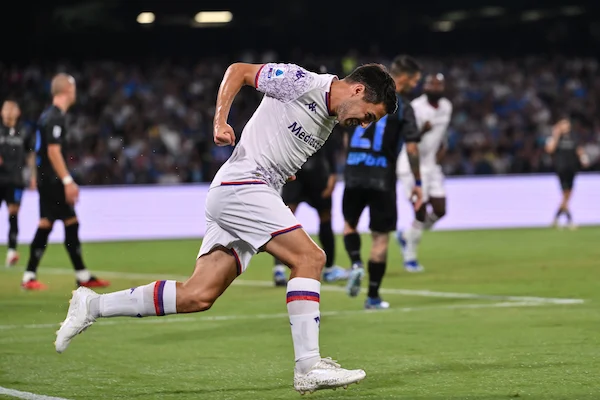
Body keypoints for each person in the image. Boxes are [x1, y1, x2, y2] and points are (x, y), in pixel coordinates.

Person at [55, 62, 398, 394]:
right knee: (310, 258)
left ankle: (92, 306)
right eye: (369, 116)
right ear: (358, 90)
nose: (364, 125)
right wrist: (220, 121)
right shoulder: (301, 82)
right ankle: (308, 366)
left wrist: (283, 171)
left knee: (197, 295)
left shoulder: (329, 119)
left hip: (250, 192)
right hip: (242, 186)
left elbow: (277, 138)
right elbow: (239, 71)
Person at [342, 55, 423, 309]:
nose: (415, 86)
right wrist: (418, 183)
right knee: (380, 238)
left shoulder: (362, 96)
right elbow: (412, 149)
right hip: (382, 178)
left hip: (354, 171)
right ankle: (373, 297)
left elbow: (345, 135)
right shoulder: (403, 106)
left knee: (349, 225)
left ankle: (355, 262)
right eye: (415, 81)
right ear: (405, 78)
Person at [21, 73, 110, 290]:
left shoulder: (46, 116)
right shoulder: (55, 117)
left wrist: (35, 175)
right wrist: (67, 180)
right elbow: (53, 151)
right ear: (68, 90)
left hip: (45, 178)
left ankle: (30, 275)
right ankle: (81, 275)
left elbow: (37, 150)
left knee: (47, 223)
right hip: (53, 179)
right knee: (70, 222)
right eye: (74, 88)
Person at [272, 132, 348, 286]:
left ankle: (328, 268)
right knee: (286, 219)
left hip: (308, 174)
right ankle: (280, 269)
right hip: (306, 175)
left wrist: (333, 175)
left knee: (319, 217)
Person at [396, 73, 453, 271]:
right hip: (411, 165)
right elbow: (407, 138)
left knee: (440, 210)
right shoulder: (416, 107)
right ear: (425, 87)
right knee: (420, 211)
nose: (435, 88)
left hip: (431, 165)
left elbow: (442, 132)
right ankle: (410, 257)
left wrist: (443, 147)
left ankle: (407, 235)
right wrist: (423, 131)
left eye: (439, 84)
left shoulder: (446, 106)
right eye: (431, 84)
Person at [0, 99, 35, 267]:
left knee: (13, 212)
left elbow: (31, 155)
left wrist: (33, 176)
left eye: (12, 109)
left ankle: (12, 251)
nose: (8, 112)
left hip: (16, 179)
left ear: (18, 112)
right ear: (1, 112)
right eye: (6, 109)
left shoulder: (24, 131)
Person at [545, 118, 589, 229]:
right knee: (565, 194)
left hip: (572, 168)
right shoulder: (554, 138)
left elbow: (578, 149)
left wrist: (583, 158)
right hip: (561, 169)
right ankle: (569, 220)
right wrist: (556, 135)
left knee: (568, 195)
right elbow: (550, 149)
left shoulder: (573, 137)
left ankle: (556, 218)